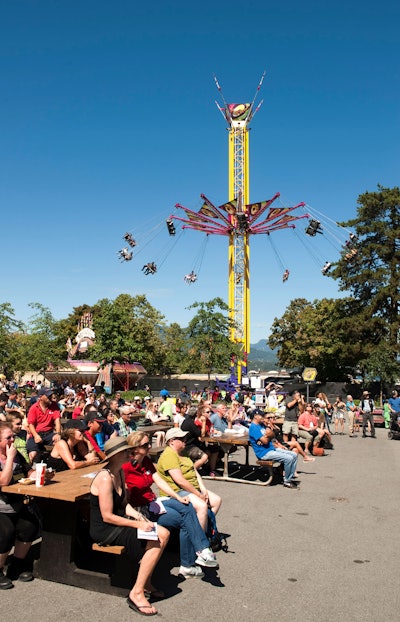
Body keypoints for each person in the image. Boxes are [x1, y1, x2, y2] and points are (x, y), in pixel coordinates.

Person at [90, 437, 168, 616]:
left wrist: (140, 517)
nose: (130, 453)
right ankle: (137, 592)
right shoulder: (105, 477)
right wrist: (137, 524)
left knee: (164, 533)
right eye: (126, 451)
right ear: (116, 455)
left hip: (118, 522)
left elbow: (124, 505)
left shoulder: (119, 472)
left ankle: (146, 581)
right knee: (155, 539)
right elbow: (107, 516)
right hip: (104, 529)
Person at [123, 431, 217, 579]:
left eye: (149, 443)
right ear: (134, 448)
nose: (150, 446)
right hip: (138, 510)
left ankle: (198, 554)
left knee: (187, 510)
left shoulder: (146, 461)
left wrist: (177, 497)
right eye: (146, 445)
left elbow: (159, 481)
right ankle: (193, 559)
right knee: (187, 517)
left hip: (152, 503)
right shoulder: (125, 466)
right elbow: (122, 495)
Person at [0, 422, 41, 589]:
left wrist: (38, 473)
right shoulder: (10, 456)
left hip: (17, 503)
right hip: (1, 505)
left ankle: (16, 564)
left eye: (13, 437)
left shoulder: (18, 454)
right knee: (5, 532)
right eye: (8, 438)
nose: (12, 440)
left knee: (30, 525)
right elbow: (3, 481)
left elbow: (27, 471)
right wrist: (9, 458)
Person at [156, 428, 222, 530]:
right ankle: (200, 539)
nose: (185, 440)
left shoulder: (183, 452)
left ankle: (203, 528)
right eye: (181, 438)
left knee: (217, 500)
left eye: (185, 438)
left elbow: (194, 471)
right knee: (202, 506)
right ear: (171, 441)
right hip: (178, 491)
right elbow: (180, 481)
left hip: (192, 489)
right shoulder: (169, 455)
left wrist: (203, 489)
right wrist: (199, 494)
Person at [248, 409, 298, 488]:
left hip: (271, 448)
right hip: (264, 453)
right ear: (255, 416)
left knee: (294, 455)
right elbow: (265, 441)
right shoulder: (253, 427)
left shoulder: (261, 425)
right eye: (261, 416)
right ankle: (287, 481)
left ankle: (290, 477)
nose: (263, 417)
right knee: (288, 458)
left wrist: (269, 435)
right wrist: (268, 435)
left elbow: (272, 434)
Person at [26, 388, 62, 462]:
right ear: (41, 397)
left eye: (51, 395)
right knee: (33, 453)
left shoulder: (54, 406)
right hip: (36, 433)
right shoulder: (34, 408)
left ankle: (56, 464)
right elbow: (31, 424)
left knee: (62, 443)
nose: (50, 397)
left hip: (49, 433)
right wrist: (36, 435)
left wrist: (58, 433)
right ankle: (30, 469)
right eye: (48, 395)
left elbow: (57, 421)